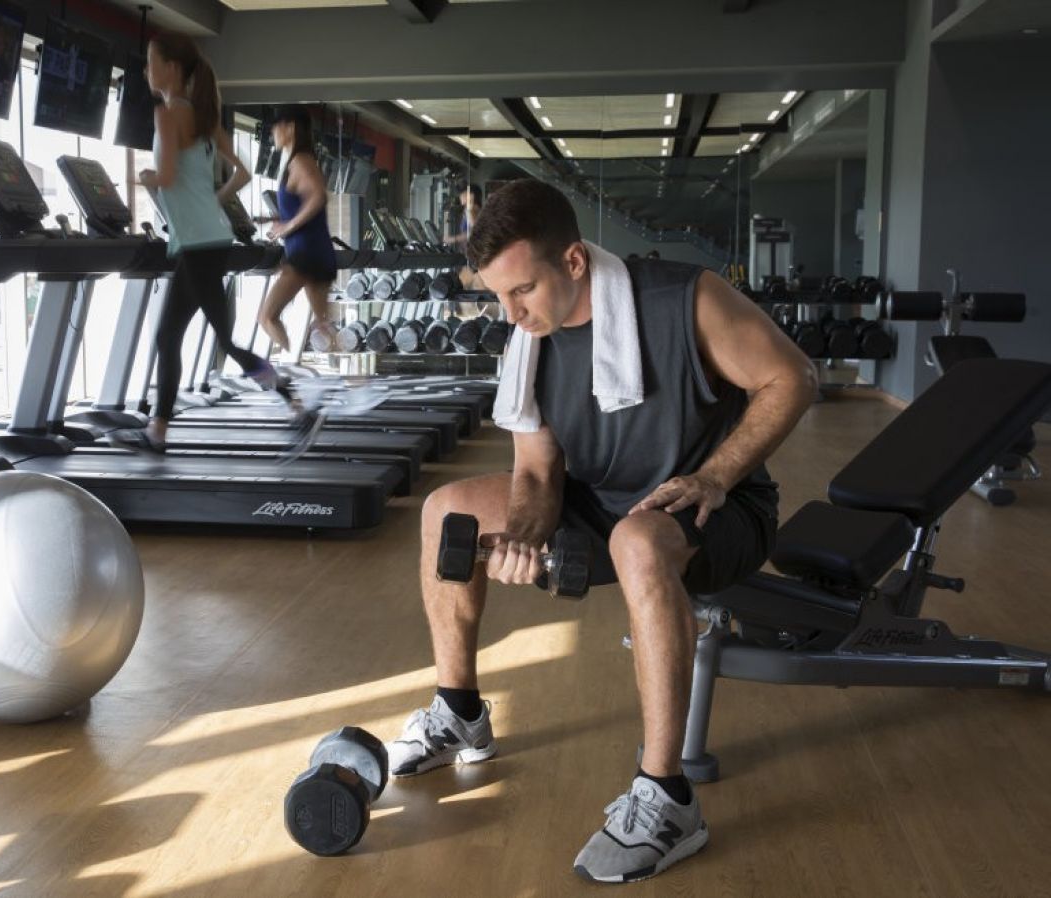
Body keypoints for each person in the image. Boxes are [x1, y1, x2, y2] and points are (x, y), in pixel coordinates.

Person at [386, 180, 816, 883]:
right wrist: (523, 537)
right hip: (604, 500)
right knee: (446, 511)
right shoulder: (531, 339)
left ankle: (667, 796)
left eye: (522, 290)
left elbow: (793, 377)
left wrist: (716, 475)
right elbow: (535, 473)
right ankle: (459, 710)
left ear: (575, 261)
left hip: (717, 506)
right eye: (498, 296)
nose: (510, 313)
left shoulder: (686, 300)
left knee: (637, 541)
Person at [116, 33, 276, 454]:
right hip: (206, 239)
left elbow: (167, 176)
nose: (146, 70)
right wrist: (212, 202)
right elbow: (242, 174)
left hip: (199, 243)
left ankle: (293, 400)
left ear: (171, 68)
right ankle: (157, 431)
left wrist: (143, 178)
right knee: (168, 336)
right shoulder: (205, 118)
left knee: (223, 340)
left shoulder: (167, 114)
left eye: (151, 62)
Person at [258, 105, 337, 357]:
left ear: (290, 127)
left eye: (275, 127)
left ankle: (287, 370)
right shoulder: (302, 160)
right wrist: (275, 219)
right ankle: (348, 376)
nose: (273, 133)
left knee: (267, 317)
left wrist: (287, 227)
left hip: (306, 254)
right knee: (323, 326)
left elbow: (318, 197)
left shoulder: (300, 161)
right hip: (317, 251)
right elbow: (304, 203)